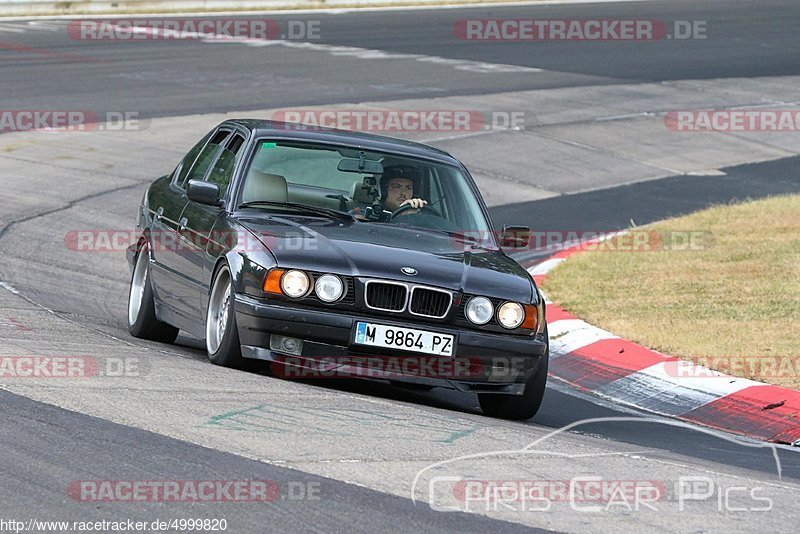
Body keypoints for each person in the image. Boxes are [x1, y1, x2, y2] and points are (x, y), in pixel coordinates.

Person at [352, 164, 428, 220]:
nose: (404, 193)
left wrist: (413, 217)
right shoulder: (364, 213)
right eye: (396, 186)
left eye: (408, 188)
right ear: (381, 190)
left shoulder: (420, 215)